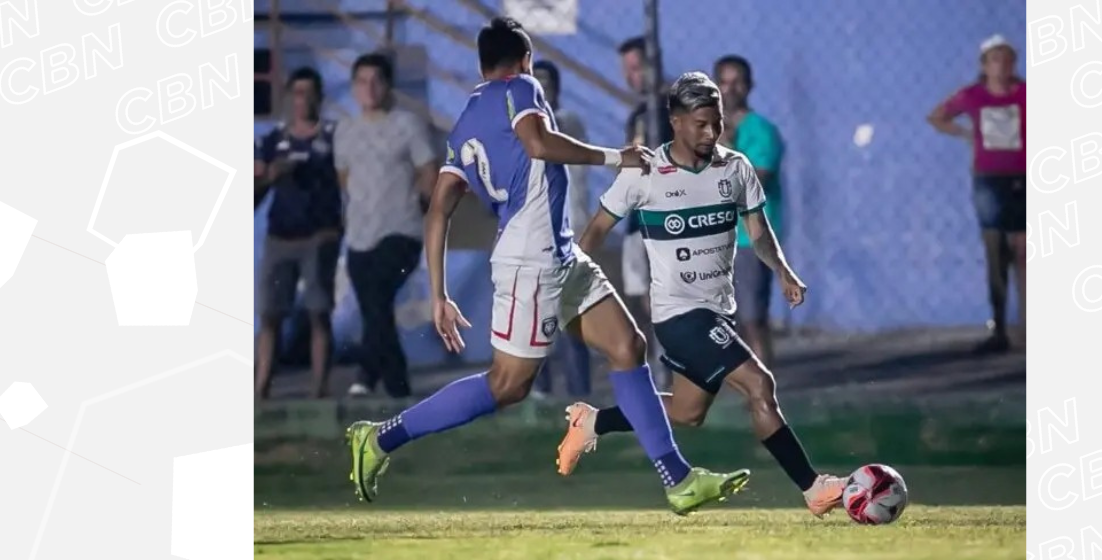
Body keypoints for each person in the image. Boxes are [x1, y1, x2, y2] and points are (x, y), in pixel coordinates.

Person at [343, 18, 749, 516]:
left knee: (627, 346)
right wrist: (613, 157)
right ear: (524, 60)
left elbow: (438, 208)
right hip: (530, 259)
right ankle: (381, 439)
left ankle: (678, 479)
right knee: (507, 386)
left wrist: (438, 292)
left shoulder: (466, 119)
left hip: (558, 253)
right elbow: (537, 144)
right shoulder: (521, 86)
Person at [556, 72, 849, 517]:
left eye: (717, 123)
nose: (711, 133)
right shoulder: (645, 175)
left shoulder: (735, 168)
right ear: (675, 121)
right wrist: (567, 279)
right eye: (701, 124)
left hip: (718, 312)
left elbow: (758, 230)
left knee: (688, 411)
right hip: (678, 316)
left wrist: (784, 271)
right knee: (759, 385)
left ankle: (593, 421)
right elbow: (596, 229)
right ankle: (814, 488)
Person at [335, 52, 440, 397]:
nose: (370, 88)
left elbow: (429, 173)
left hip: (401, 231)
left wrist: (425, 210)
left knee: (378, 301)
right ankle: (370, 374)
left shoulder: (406, 125)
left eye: (377, 80)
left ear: (388, 85)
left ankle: (394, 388)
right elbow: (345, 178)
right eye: (363, 81)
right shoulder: (345, 130)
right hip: (360, 235)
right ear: (353, 88)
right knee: (373, 309)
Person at [927, 34, 1026, 353]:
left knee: (1025, 253)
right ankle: (999, 328)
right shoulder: (973, 95)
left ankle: (1028, 329)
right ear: (984, 65)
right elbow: (937, 116)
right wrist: (967, 135)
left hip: (1024, 177)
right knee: (996, 251)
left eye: (1007, 59)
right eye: (995, 60)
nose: (1002, 66)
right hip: (989, 179)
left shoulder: (1026, 94)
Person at [253, 67, 342, 400]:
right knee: (270, 315)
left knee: (319, 312)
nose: (303, 100)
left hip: (320, 235)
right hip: (280, 238)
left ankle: (319, 389)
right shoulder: (271, 141)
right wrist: (271, 176)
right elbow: (252, 195)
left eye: (309, 92)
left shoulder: (334, 136)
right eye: (297, 93)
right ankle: (261, 389)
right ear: (289, 97)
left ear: (319, 97)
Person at [714, 55, 785, 367]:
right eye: (724, 82)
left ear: (750, 86)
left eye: (737, 82)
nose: (730, 90)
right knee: (724, 324)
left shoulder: (762, 131)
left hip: (750, 238)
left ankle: (766, 393)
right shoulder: (704, 131)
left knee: (752, 318)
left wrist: (728, 147)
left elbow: (758, 178)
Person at [530, 59, 592, 399]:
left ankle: (578, 394)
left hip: (567, 232)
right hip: (533, 235)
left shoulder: (567, 122)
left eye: (546, 83)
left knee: (570, 318)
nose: (541, 88)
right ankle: (539, 392)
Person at [618, 36, 676, 388]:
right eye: (627, 71)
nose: (632, 76)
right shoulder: (639, 113)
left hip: (666, 216)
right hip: (635, 217)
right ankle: (661, 362)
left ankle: (674, 362)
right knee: (642, 292)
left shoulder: (675, 108)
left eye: (637, 67)